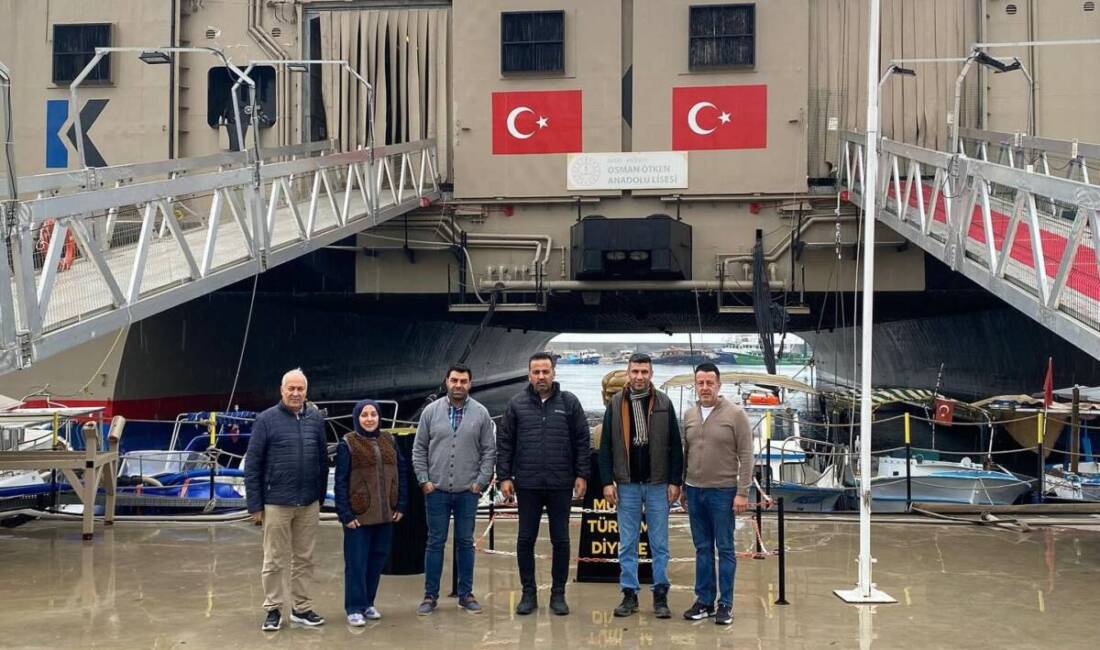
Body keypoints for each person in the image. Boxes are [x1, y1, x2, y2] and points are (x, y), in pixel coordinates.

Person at [497, 352, 591, 616]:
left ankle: (558, 594)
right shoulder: (516, 404)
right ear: (529, 374)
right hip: (527, 484)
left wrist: (582, 474)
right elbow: (505, 443)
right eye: (536, 372)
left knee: (560, 540)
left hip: (561, 483)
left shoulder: (569, 403)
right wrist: (504, 476)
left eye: (545, 372)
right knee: (525, 539)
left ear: (554, 373)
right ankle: (528, 593)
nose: (541, 377)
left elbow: (582, 440)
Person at [598, 353, 683, 619]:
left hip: (658, 483)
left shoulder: (664, 402)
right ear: (628, 372)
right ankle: (629, 594)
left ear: (651, 374)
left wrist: (674, 480)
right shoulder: (615, 403)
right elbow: (606, 447)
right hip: (627, 484)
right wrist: (606, 481)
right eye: (635, 372)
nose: (639, 377)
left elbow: (675, 445)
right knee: (627, 543)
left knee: (660, 544)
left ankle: (660, 594)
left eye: (644, 372)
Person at [244, 368, 329, 632]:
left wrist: (320, 496)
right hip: (276, 502)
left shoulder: (315, 419)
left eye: (300, 389)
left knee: (305, 558)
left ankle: (301, 608)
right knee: (274, 558)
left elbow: (323, 460)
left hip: (308, 502)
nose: (295, 393)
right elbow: (253, 464)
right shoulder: (266, 420)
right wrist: (255, 505)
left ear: (306, 391)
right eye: (290, 388)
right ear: (282, 390)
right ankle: (273, 608)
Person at [411, 364, 497, 615]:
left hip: (467, 492)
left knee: (465, 542)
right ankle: (430, 595)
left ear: (470, 383)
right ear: (446, 382)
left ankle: (466, 594)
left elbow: (489, 451)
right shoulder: (430, 412)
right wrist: (423, 480)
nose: (458, 385)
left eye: (463, 381)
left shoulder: (481, 413)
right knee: (435, 542)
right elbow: (419, 448)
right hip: (435, 490)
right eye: (454, 380)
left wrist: (480, 482)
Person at [680, 363, 753, 626]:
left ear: (719, 385)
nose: (705, 387)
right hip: (694, 491)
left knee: (725, 548)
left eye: (710, 382)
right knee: (702, 548)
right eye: (700, 383)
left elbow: (746, 455)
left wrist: (742, 492)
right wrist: (682, 487)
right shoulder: (689, 415)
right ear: (695, 385)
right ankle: (704, 601)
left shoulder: (736, 415)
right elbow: (686, 452)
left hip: (723, 492)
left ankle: (726, 604)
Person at [334, 399, 408, 626]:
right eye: (364, 415)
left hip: (385, 513)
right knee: (356, 562)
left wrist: (401, 504)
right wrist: (345, 514)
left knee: (376, 560)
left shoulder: (389, 440)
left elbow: (401, 472)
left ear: (379, 417)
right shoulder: (348, 444)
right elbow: (340, 481)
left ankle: (368, 602)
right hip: (360, 514)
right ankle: (354, 607)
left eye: (373, 414)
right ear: (357, 417)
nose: (369, 419)